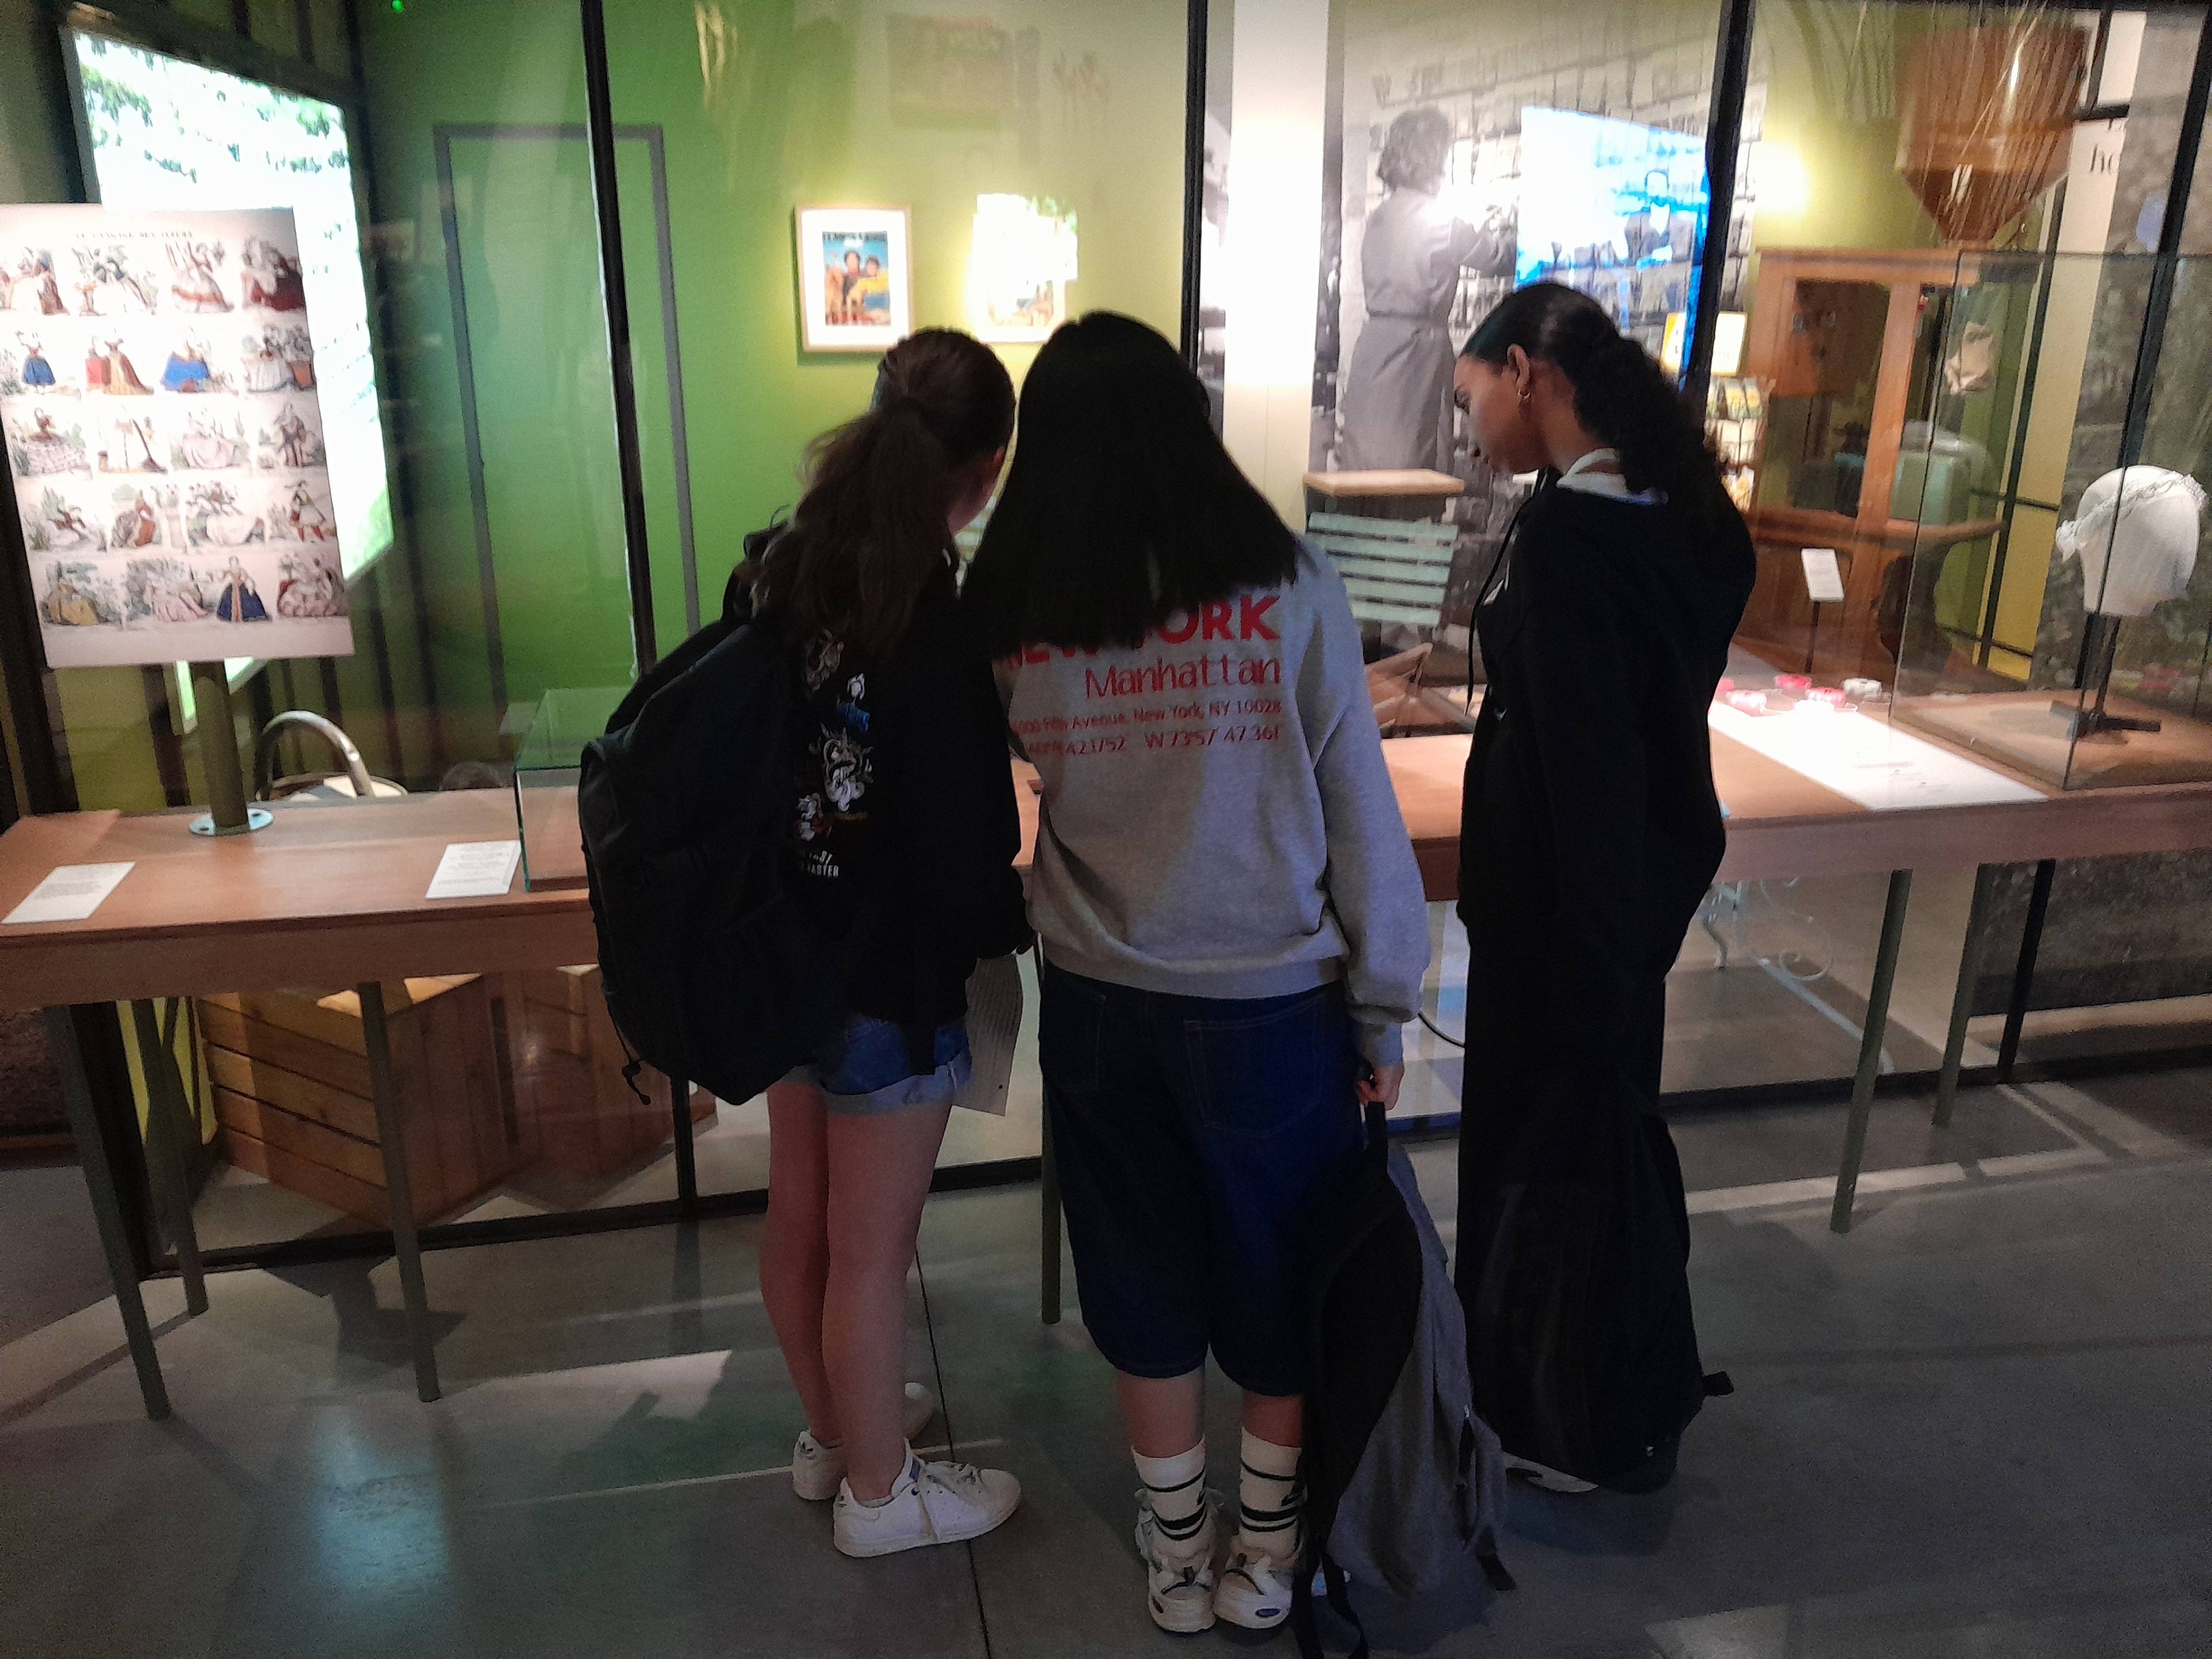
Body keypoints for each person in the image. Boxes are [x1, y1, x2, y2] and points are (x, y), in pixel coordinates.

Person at [964, 312, 1429, 1635]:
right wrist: (1383, 1005)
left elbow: (981, 798)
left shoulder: (1017, 607)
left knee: (1137, 1271)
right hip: (1273, 1005)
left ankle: (1176, 1556)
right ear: (1190, 423)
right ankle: (1265, 1555)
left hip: (1099, 997)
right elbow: (1360, 813)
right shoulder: (1290, 583)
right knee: (1280, 1268)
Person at [1448, 282, 1754, 1487]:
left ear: (1527, 373)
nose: (1474, 426)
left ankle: (1547, 1420)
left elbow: (1589, 774)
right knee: (1596, 1164)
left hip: (1560, 926)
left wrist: (1581, 984)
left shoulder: (1573, 542)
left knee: (1539, 1174)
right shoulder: (1681, 520)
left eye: (1473, 394)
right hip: (1625, 916)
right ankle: (1592, 1396)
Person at [739, 328, 1032, 1559]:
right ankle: (879, 1493)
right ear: (987, 472)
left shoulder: (777, 573)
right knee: (871, 1254)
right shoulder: (935, 623)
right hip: (888, 983)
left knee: (800, 1215)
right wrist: (1014, 928)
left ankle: (833, 1434)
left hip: (781, 956)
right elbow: (967, 863)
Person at [1335, 104, 1514, 472]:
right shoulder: (1441, 222)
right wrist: (1508, 227)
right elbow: (1497, 257)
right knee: (1414, 463)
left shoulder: (1380, 217)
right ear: (1433, 157)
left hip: (1375, 348)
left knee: (1368, 463)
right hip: (1416, 355)